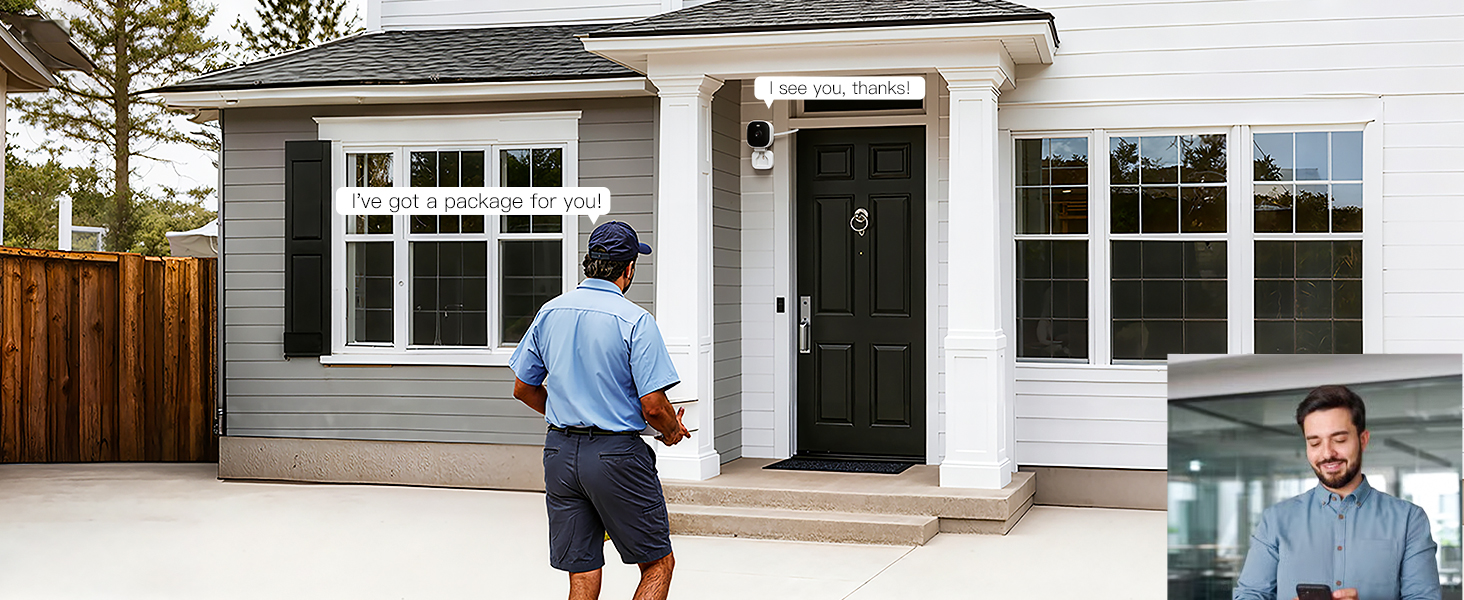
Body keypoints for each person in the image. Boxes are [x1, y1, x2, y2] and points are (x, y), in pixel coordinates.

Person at [509, 220, 691, 600]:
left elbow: (523, 388)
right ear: (628, 270)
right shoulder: (635, 321)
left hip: (559, 454)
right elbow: (654, 407)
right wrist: (672, 431)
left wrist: (565, 410)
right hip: (616, 457)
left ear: (589, 262)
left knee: (582, 568)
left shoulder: (550, 312)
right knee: (658, 563)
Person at [1232, 385, 1441, 600]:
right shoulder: (1275, 520)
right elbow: (1249, 596)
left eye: (1339, 440)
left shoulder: (1409, 520)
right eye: (1314, 442)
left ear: (1363, 440)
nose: (1327, 454)